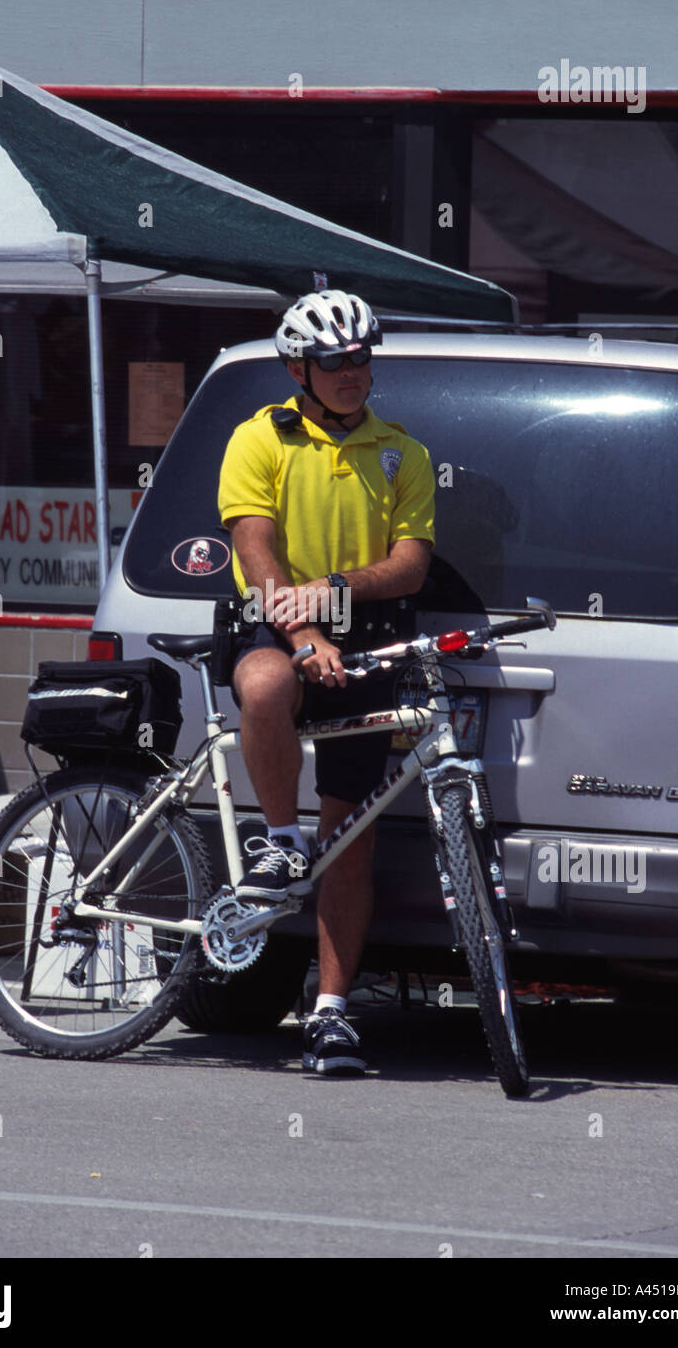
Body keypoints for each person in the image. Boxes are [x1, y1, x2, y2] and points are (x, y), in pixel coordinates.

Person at [217, 289, 435, 1074]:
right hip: (273, 626)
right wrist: (303, 629)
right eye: (336, 360)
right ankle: (277, 841)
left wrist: (334, 592)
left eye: (363, 357)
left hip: (367, 641)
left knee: (351, 842)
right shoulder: (259, 439)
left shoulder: (400, 452)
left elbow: (409, 565)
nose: (353, 371)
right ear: (297, 368)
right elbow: (256, 553)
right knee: (268, 685)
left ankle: (331, 1013)